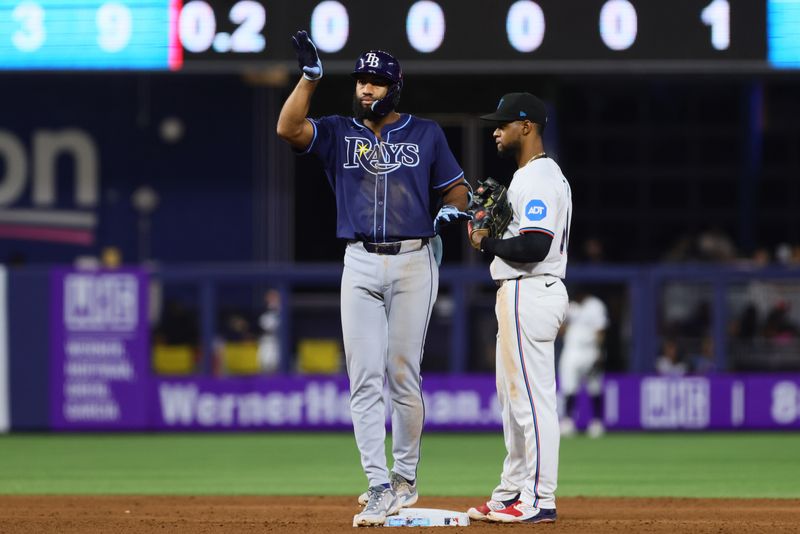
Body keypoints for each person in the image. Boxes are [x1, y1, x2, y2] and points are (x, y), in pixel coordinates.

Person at [276, 31, 471, 527]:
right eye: (361, 80)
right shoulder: (339, 131)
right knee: (363, 378)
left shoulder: (425, 133)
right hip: (360, 259)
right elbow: (288, 128)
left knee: (403, 375)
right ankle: (379, 483)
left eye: (377, 82)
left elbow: (458, 191)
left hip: (413, 259)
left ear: (395, 88)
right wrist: (309, 79)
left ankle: (405, 479)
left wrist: (452, 212)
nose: (366, 89)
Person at [465, 93, 571, 524]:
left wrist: (485, 242)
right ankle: (511, 491)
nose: (496, 129)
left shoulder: (541, 177)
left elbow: (534, 245)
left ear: (527, 127)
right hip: (518, 292)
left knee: (532, 402)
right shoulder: (528, 177)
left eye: (504, 123)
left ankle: (539, 499)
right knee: (513, 402)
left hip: (532, 288)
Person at [557, 287, 609, 438]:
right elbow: (560, 331)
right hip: (572, 350)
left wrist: (599, 352)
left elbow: (600, 330)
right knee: (568, 386)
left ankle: (597, 422)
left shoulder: (595, 305)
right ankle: (567, 421)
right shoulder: (568, 306)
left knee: (595, 387)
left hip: (590, 350)